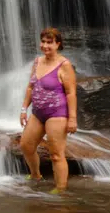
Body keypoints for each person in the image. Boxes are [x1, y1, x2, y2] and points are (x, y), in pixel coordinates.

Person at [19, 28, 78, 193]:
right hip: (37, 113)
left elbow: (71, 93)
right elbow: (31, 87)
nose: (45, 46)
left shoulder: (64, 65)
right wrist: (24, 109)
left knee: (56, 154)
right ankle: (36, 175)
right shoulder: (37, 61)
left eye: (49, 42)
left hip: (57, 114)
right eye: (43, 42)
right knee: (26, 145)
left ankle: (60, 189)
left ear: (58, 44)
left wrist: (72, 119)